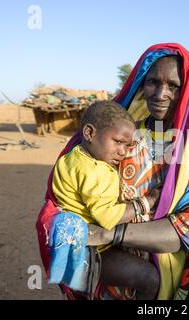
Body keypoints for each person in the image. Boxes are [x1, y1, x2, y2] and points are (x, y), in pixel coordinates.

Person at [36, 43, 189, 300]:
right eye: (152, 82)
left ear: (187, 91)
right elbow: (69, 192)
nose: (161, 93)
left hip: (166, 276)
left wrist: (108, 233)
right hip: (110, 275)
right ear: (141, 83)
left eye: (173, 85)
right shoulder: (120, 136)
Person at [48, 100, 161, 299]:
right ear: (89, 133)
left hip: (76, 240)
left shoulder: (74, 156)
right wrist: (147, 202)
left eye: (127, 146)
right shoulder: (93, 171)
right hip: (89, 249)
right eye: (117, 142)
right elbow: (107, 217)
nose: (123, 152)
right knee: (149, 277)